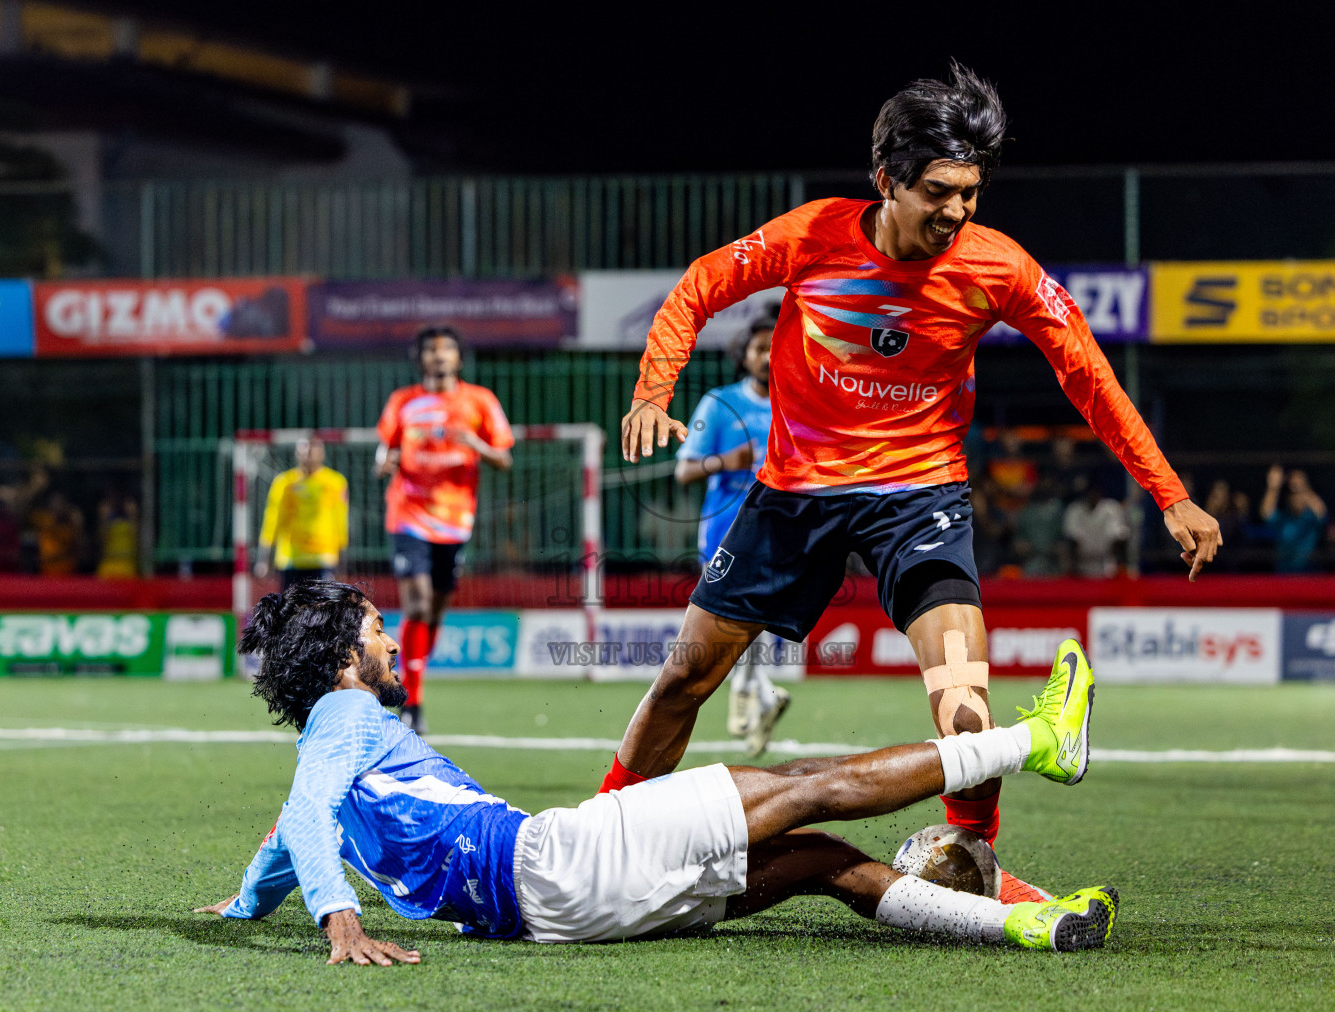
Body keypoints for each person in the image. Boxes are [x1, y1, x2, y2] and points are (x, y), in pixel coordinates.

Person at [611, 63, 1221, 904]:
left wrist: (1170, 493)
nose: (958, 211)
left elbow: (1088, 375)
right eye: (938, 192)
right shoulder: (812, 235)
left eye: (971, 193)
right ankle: (606, 831)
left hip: (919, 495)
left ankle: (973, 857)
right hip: (794, 493)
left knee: (963, 692)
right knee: (684, 678)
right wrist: (653, 391)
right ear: (886, 180)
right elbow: (698, 289)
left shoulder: (999, 267)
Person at [194, 580, 1116, 962]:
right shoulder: (347, 714)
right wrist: (342, 921)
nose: (391, 641)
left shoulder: (329, 758)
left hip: (557, 920)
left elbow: (287, 836)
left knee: (822, 863)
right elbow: (303, 822)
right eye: (376, 630)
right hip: (557, 859)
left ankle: (1027, 926)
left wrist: (242, 909)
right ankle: (1036, 741)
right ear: (344, 660)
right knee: (809, 784)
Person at [376, 325, 513, 734]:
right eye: (431, 350)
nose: (439, 356)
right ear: (420, 359)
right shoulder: (403, 401)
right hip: (408, 514)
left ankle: (414, 677)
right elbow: (385, 450)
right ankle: (412, 700)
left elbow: (504, 458)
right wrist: (382, 463)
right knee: (417, 604)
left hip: (455, 521)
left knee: (435, 611)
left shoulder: (479, 400)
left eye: (447, 349)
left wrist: (475, 443)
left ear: (458, 358)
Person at [673, 315, 790, 755]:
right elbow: (685, 470)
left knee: (755, 617)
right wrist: (726, 461)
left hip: (781, 528)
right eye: (759, 348)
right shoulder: (719, 404)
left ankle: (752, 690)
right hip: (724, 531)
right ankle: (758, 692)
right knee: (728, 619)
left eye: (775, 347)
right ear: (743, 355)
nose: (768, 357)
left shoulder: (797, 404)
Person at [254, 438, 350, 592]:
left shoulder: (335, 482)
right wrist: (264, 559)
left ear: (322, 454)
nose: (308, 456)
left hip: (323, 558)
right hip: (291, 558)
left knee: (322, 605)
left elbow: (341, 522)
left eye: (312, 452)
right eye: (304, 451)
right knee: (292, 604)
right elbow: (272, 520)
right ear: (297, 454)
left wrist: (342, 561)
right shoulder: (284, 483)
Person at [1260, 465, 1327, 574]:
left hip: (1310, 575)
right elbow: (1266, 513)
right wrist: (1273, 487)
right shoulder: (1282, 519)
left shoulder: (1312, 518)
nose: (1297, 497)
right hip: (1283, 575)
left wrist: (1302, 486)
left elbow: (1322, 512)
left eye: (1300, 494)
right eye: (1293, 494)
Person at [1063, 484, 1131, 578]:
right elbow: (1071, 537)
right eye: (1089, 493)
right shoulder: (1075, 510)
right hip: (1081, 563)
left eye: (1095, 493)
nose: (1092, 496)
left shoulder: (1111, 508)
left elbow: (1120, 535)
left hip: (1107, 563)